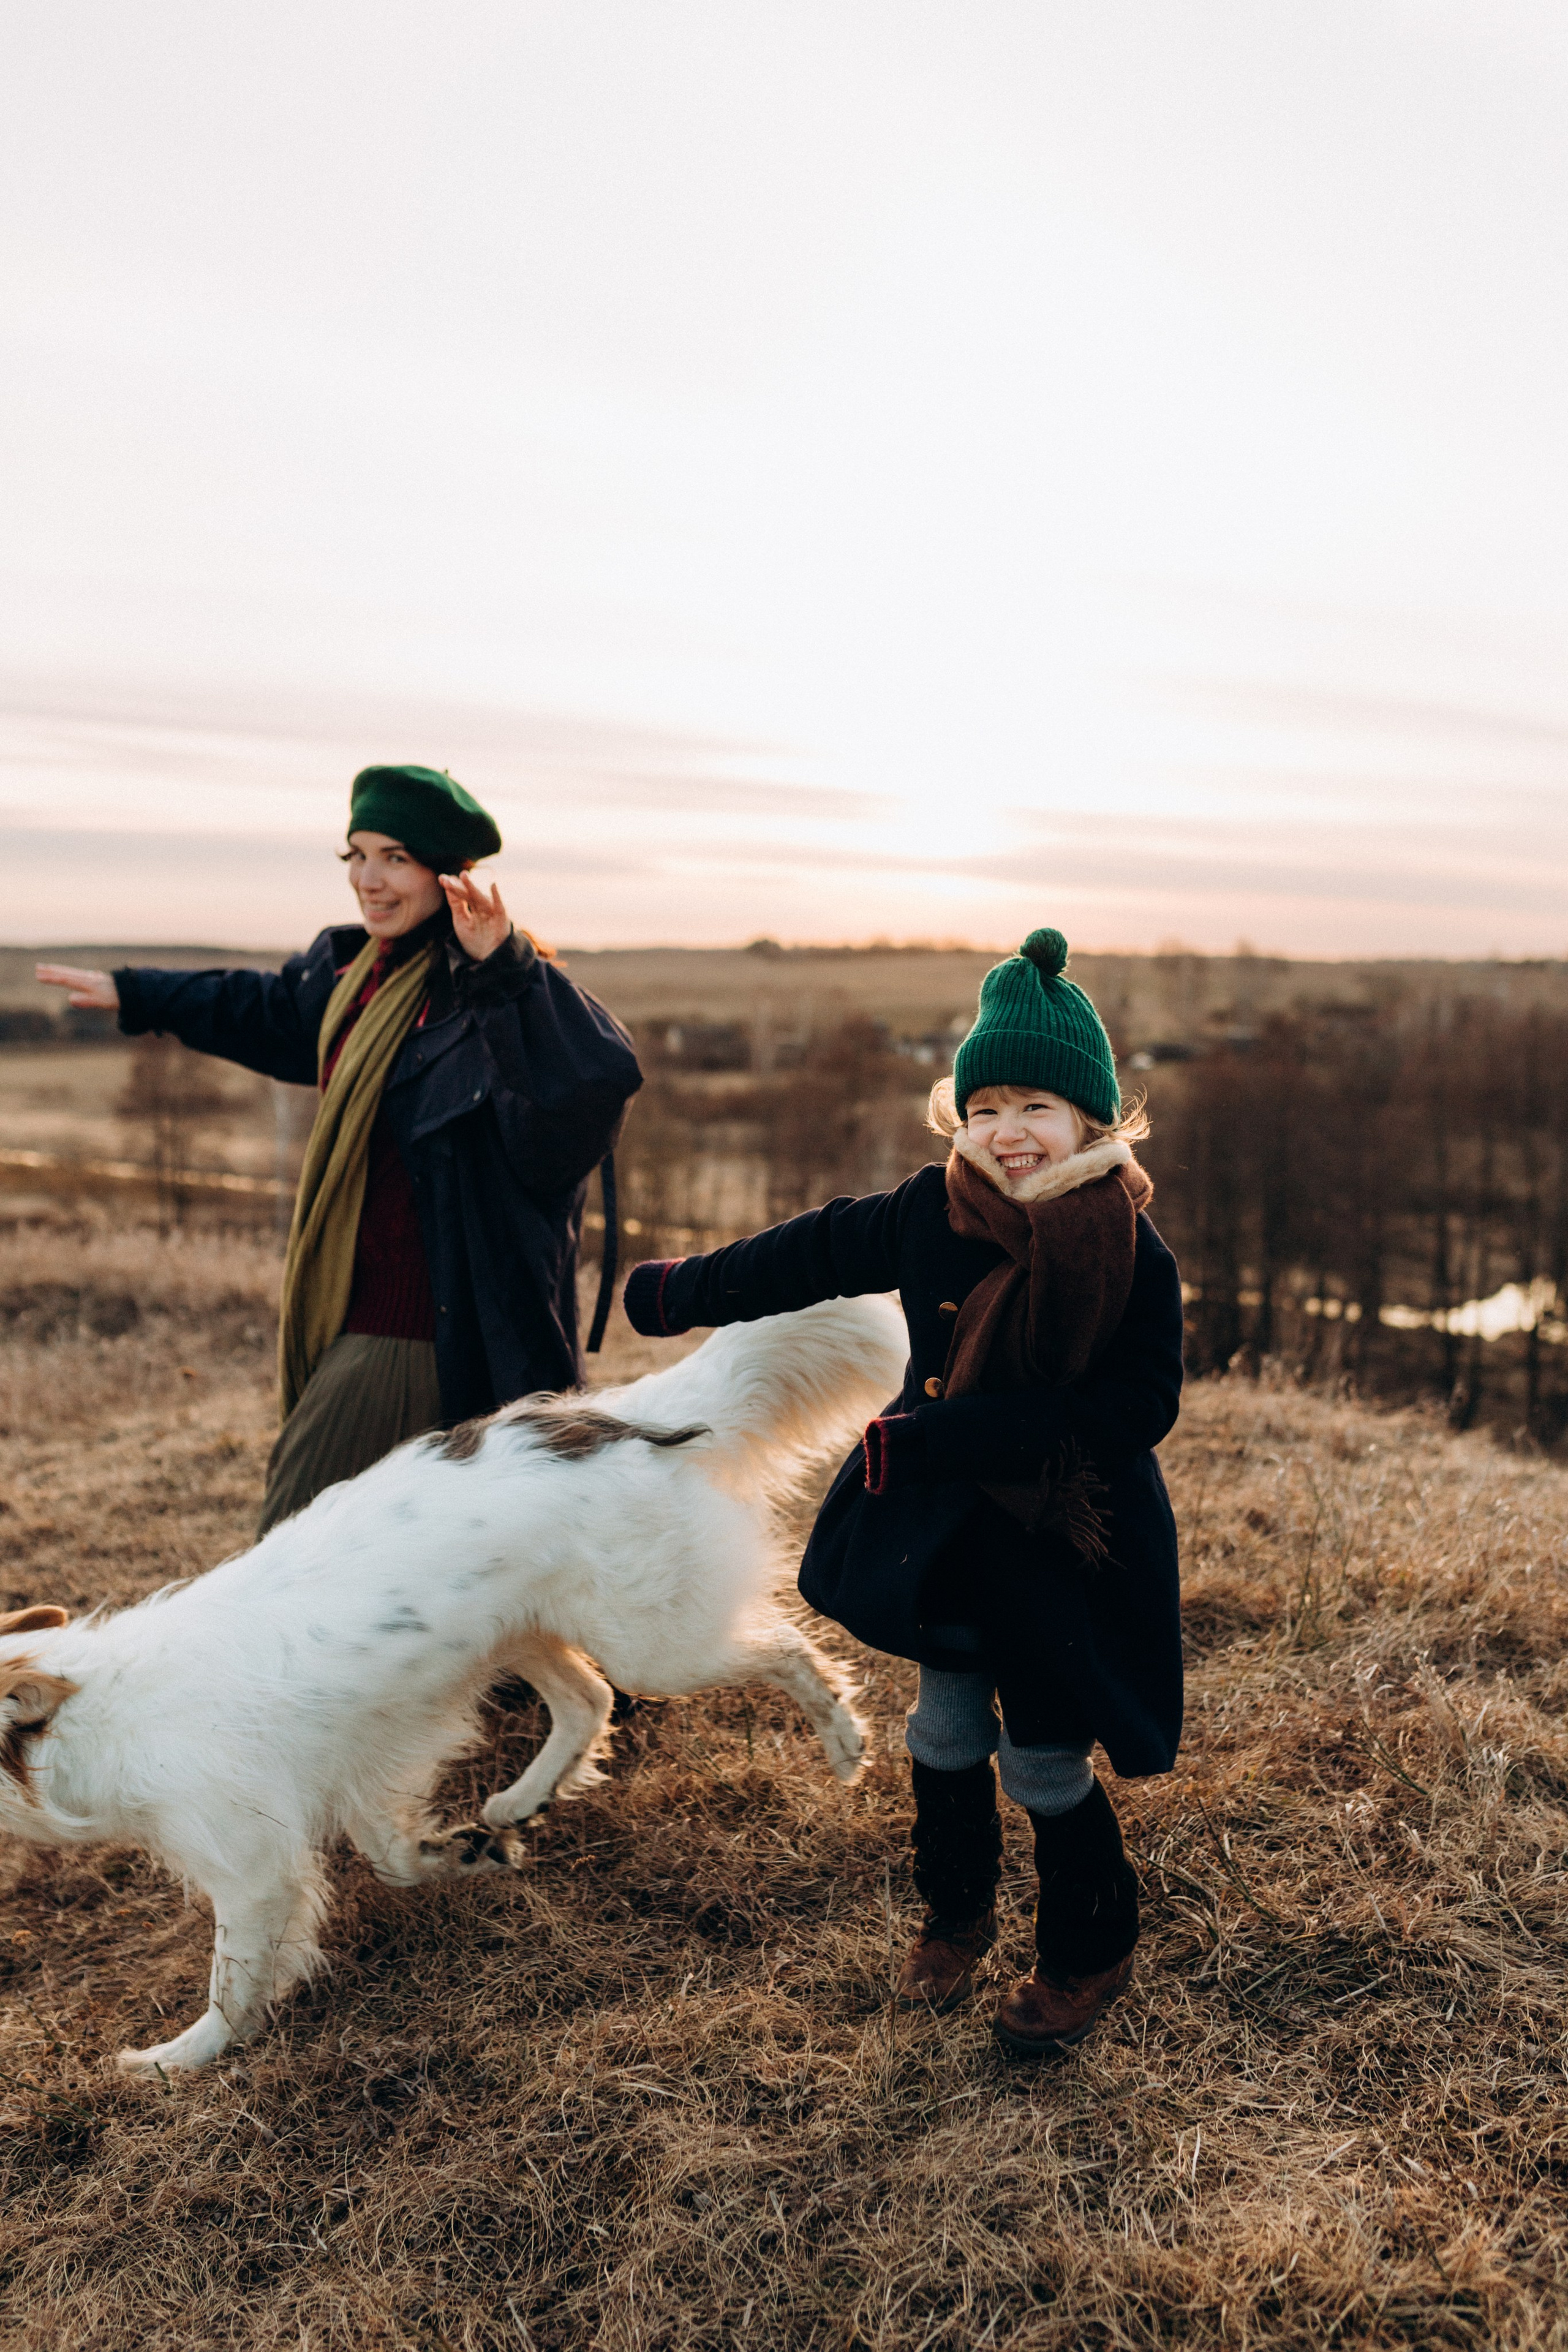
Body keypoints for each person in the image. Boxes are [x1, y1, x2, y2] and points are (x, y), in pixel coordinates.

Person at [621, 927, 1183, 2057]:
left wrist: (948, 1436)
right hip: (950, 1538)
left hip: (1067, 1551)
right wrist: (685, 1287)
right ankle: (956, 1915)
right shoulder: (936, 1210)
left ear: (1093, 1121)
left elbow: (1133, 1414)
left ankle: (1088, 1945)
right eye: (986, 1108)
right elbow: (813, 1250)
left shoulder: (1130, 1251)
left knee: (1040, 1757)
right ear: (958, 1115)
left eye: (1035, 1107)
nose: (1007, 1133)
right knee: (940, 1728)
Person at [38, 763, 641, 1534]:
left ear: (447, 871)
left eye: (394, 857)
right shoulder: (357, 978)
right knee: (446, 1576)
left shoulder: (484, 995)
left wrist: (508, 968)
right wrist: (137, 992)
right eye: (355, 855)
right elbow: (258, 1008)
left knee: (291, 1554)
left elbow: (593, 1084)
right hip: (355, 1315)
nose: (369, 880)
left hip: (427, 1333)